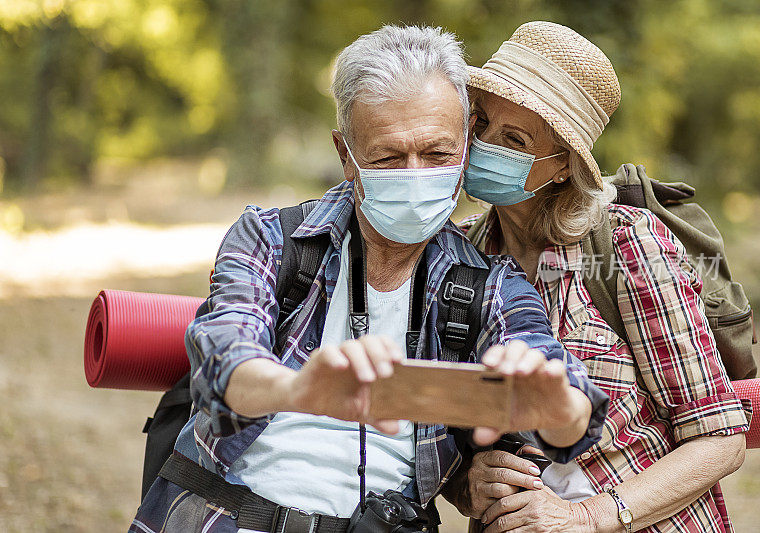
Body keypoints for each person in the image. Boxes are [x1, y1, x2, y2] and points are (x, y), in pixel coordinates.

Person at [130, 25, 608, 533]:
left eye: (439, 153)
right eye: (388, 157)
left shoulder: (491, 285)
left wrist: (555, 403)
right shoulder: (272, 239)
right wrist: (298, 389)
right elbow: (225, 366)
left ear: (466, 147)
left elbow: (572, 409)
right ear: (346, 155)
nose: (416, 173)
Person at [443, 21, 751, 533]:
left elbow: (720, 439)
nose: (483, 147)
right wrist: (467, 483)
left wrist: (589, 515)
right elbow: (444, 430)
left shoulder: (626, 245)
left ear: (563, 164)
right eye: (479, 125)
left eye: (514, 140)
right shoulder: (457, 258)